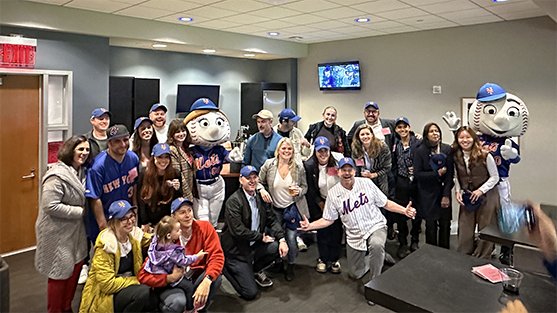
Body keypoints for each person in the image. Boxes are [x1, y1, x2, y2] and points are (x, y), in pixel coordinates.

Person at [298, 157, 416, 305]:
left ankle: (375, 287)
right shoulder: (333, 194)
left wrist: (404, 210)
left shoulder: (366, 183)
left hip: (375, 226)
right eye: (343, 170)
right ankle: (379, 257)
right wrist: (310, 226)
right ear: (338, 172)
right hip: (355, 235)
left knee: (377, 244)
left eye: (350, 170)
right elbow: (328, 219)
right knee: (355, 273)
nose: (347, 173)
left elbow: (385, 203)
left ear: (355, 171)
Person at [138, 197, 224, 313]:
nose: (188, 215)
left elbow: (216, 256)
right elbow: (143, 276)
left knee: (215, 277)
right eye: (182, 212)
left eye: (189, 210)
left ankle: (197, 309)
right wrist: (168, 278)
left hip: (194, 277)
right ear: (173, 216)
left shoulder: (205, 227)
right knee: (177, 303)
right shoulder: (164, 239)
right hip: (174, 284)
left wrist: (207, 280)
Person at [35, 135, 90, 313]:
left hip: (74, 233)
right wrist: (79, 212)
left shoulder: (80, 170)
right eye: (80, 149)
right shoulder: (56, 175)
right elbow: (49, 205)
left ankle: (66, 307)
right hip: (57, 232)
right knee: (59, 273)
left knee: (74, 270)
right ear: (70, 150)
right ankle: (55, 310)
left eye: (87, 150)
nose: (84, 153)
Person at [220, 165, 289, 300]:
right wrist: (260, 237)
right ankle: (226, 267)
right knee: (250, 293)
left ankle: (254, 270)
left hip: (253, 245)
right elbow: (237, 230)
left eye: (254, 177)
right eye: (248, 178)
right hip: (236, 251)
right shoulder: (233, 201)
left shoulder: (261, 198)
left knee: (276, 247)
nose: (252, 181)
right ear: (241, 180)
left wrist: (282, 239)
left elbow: (272, 219)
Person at [79, 200, 152, 313]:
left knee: (154, 297)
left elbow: (153, 239)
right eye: (124, 218)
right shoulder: (106, 245)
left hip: (128, 286)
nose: (130, 221)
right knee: (143, 292)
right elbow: (107, 285)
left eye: (131, 216)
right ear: (114, 222)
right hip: (107, 295)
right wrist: (137, 280)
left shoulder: (133, 235)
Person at [257, 137, 310, 281]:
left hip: (291, 208)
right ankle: (278, 262)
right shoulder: (269, 165)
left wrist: (299, 191)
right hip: (274, 209)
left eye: (289, 149)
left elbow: (305, 187)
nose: (286, 151)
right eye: (284, 148)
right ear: (278, 150)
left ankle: (291, 264)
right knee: (276, 238)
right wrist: (262, 190)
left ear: (293, 152)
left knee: (291, 239)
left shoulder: (298, 167)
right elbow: (258, 182)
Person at [85, 124, 140, 243]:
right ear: (109, 143)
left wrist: (135, 212)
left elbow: (133, 184)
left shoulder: (133, 158)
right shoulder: (97, 167)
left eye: (125, 140)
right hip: (108, 219)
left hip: (126, 218)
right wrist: (103, 228)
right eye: (117, 141)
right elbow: (95, 198)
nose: (123, 144)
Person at [452, 126, 500, 259]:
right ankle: (464, 256)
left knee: (486, 227)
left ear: (473, 138)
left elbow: (495, 177)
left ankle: (483, 257)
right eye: (461, 137)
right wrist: (458, 191)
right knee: (465, 227)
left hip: (487, 195)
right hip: (468, 195)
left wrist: (480, 190)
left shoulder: (485, 155)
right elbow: (456, 176)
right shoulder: (456, 156)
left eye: (468, 137)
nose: (465, 140)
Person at [142, 216, 207, 312]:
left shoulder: (155, 243)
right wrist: (196, 257)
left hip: (157, 274)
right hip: (170, 276)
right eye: (177, 231)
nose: (180, 232)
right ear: (168, 236)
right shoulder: (172, 252)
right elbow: (184, 261)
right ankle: (190, 309)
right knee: (190, 287)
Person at [303, 137, 343, 273]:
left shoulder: (337, 162)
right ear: (315, 151)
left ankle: (335, 259)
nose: (323, 154)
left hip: (338, 201)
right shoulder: (309, 165)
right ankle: (323, 258)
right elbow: (311, 189)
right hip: (320, 201)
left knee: (336, 231)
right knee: (323, 231)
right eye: (320, 151)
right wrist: (321, 203)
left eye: (325, 151)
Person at [413, 123, 454, 249]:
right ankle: (432, 253)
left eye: (437, 131)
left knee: (445, 224)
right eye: (431, 131)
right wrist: (436, 173)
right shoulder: (420, 150)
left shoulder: (447, 149)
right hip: (427, 194)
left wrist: (446, 195)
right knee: (430, 225)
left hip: (444, 191)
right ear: (426, 135)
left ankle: (446, 253)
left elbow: (450, 174)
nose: (435, 133)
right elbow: (417, 174)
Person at [391, 117, 422, 257]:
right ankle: (402, 243)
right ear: (396, 130)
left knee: (416, 211)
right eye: (399, 127)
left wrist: (416, 169)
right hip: (401, 182)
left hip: (416, 182)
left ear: (409, 128)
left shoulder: (418, 142)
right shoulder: (395, 144)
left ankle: (414, 240)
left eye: (405, 127)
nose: (402, 130)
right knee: (401, 213)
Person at [137, 143, 182, 232]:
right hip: (150, 221)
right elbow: (140, 200)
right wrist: (144, 222)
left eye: (166, 157)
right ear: (153, 157)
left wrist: (177, 189)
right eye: (160, 157)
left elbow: (178, 200)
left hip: (168, 221)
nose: (163, 160)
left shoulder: (175, 174)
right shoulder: (144, 174)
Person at [351, 123, 391, 195]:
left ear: (372, 134)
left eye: (367, 134)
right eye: (362, 134)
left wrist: (373, 175)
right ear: (358, 136)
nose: (365, 136)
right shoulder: (355, 149)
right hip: (362, 181)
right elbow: (356, 167)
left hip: (379, 181)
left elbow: (387, 167)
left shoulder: (382, 147)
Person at [167, 118, 197, 202]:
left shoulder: (185, 147)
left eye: (183, 131)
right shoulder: (172, 149)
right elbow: (179, 175)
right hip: (181, 193)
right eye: (177, 132)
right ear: (172, 134)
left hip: (190, 189)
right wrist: (188, 196)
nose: (181, 134)